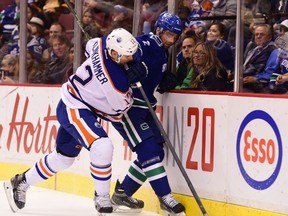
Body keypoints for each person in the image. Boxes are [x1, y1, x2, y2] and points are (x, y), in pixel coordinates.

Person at [3, 28, 147, 215]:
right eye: (127, 55)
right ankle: (102, 197)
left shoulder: (101, 44)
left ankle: (21, 182)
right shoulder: (117, 83)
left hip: (70, 101)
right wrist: (130, 82)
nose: (131, 58)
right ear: (114, 53)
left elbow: (90, 45)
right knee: (102, 146)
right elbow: (120, 109)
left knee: (63, 159)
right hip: (75, 107)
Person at [110, 12, 186, 216]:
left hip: (146, 106)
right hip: (129, 108)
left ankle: (123, 193)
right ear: (158, 30)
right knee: (149, 151)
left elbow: (149, 73)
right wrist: (126, 71)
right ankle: (165, 197)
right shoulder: (145, 43)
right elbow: (119, 57)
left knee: (157, 152)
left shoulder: (163, 51)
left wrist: (162, 80)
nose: (172, 40)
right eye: (169, 35)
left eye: (175, 37)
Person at [242, 24, 276, 92]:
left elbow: (272, 73)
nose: (258, 36)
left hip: (263, 87)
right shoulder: (253, 50)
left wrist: (256, 78)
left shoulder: (274, 51)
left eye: (262, 34)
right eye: (256, 34)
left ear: (269, 37)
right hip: (249, 82)